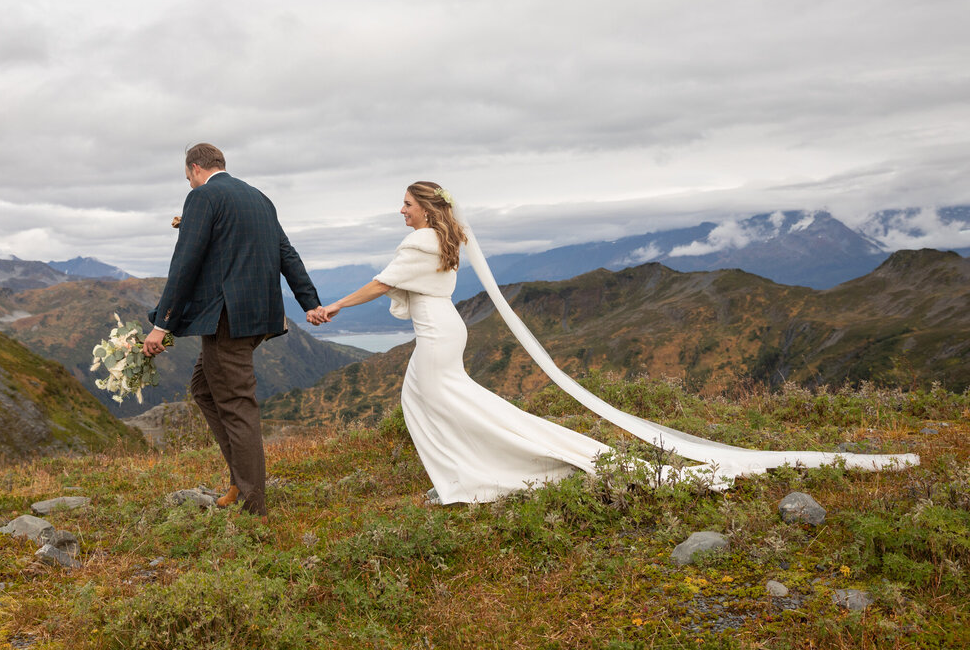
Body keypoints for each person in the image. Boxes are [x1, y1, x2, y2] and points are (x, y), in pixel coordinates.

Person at [310, 181, 919, 504]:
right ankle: (467, 472)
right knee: (437, 401)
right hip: (446, 329)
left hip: (438, 334)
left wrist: (334, 304)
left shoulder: (421, 244)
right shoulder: (447, 239)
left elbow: (380, 284)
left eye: (407, 203)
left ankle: (478, 473)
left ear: (425, 209)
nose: (400, 211)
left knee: (436, 400)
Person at [144, 143, 324, 516]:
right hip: (260, 315)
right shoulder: (259, 197)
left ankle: (251, 502)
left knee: (237, 404)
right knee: (204, 388)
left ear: (194, 169)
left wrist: (162, 324)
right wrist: (310, 302)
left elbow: (185, 264)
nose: (190, 184)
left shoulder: (203, 197)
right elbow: (286, 252)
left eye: (188, 178)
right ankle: (240, 480)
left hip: (227, 317)